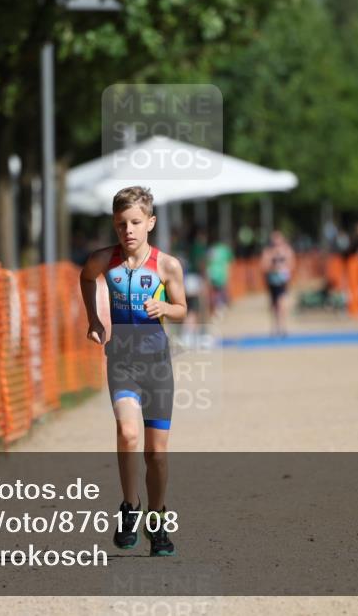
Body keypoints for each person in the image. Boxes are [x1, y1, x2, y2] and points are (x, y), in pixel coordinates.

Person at [79, 186, 187, 557]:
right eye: (122, 223)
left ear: (150, 223)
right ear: (114, 225)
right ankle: (130, 507)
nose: (128, 230)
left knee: (156, 455)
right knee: (127, 433)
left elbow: (183, 308)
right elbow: (85, 277)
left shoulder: (167, 265)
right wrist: (94, 319)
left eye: (136, 222)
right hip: (122, 361)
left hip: (157, 364)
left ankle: (157, 521)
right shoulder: (103, 261)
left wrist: (165, 308)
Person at [260, 230, 296, 336]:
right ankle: (275, 326)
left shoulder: (286, 250)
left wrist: (284, 268)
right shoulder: (268, 251)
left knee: (282, 304)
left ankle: (283, 327)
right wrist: (272, 266)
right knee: (273, 305)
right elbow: (263, 265)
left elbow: (292, 263)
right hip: (271, 281)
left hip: (283, 281)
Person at [205, 239, 234, 319]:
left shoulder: (211, 250)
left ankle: (219, 309)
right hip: (220, 275)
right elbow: (229, 263)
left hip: (215, 275)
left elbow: (207, 263)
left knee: (217, 293)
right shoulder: (224, 249)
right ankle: (219, 309)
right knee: (219, 293)